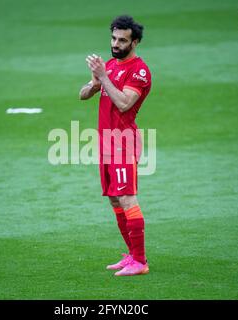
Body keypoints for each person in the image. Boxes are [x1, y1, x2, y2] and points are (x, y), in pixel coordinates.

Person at [79, 15, 152, 276]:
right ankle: (132, 255)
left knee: (127, 197)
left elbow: (124, 103)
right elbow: (83, 94)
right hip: (106, 142)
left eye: (122, 40)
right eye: (113, 38)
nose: (116, 43)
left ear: (135, 42)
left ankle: (140, 262)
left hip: (124, 142)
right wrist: (95, 82)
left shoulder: (140, 71)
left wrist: (104, 77)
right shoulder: (110, 65)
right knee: (114, 199)